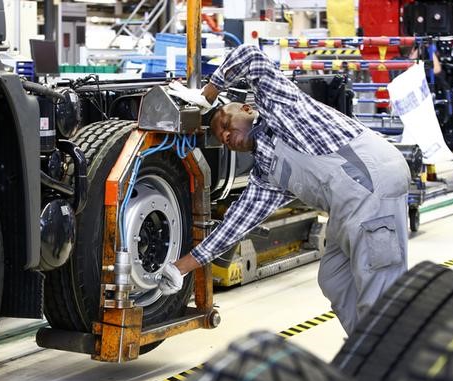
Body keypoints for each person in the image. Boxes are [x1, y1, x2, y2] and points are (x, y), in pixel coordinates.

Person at [159, 44, 412, 335]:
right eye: (222, 137)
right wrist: (180, 268)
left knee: (378, 286)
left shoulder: (284, 112)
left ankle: (390, 367)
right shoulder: (267, 173)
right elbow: (233, 226)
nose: (227, 135)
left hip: (374, 183)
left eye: (227, 123)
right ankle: (368, 351)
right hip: (348, 205)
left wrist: (208, 95)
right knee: (334, 278)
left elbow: (250, 57)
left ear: (247, 109)